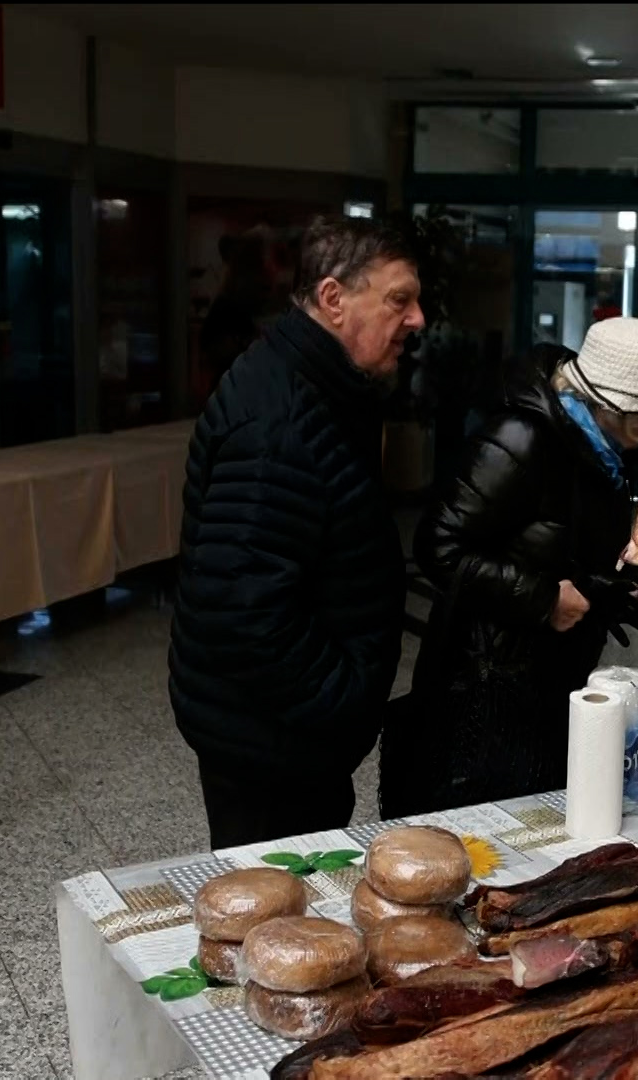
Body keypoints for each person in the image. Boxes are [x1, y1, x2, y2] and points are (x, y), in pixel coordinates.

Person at [169, 215, 425, 849]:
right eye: (399, 300)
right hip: (270, 746)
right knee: (273, 903)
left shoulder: (326, 388)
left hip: (289, 738)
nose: (417, 319)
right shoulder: (275, 424)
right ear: (334, 299)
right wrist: (343, 703)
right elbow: (245, 612)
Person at [380, 319, 638, 817]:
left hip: (549, 679)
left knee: (536, 830)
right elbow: (438, 546)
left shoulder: (603, 452)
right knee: (480, 834)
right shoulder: (520, 439)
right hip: (485, 688)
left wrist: (618, 589)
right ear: (609, 407)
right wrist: (544, 600)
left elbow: (565, 549)